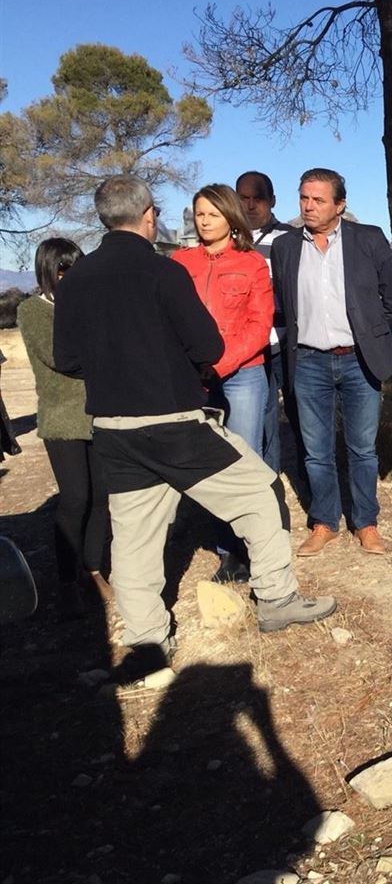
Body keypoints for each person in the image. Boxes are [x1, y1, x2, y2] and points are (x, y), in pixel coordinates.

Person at [54, 175, 336, 682]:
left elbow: (67, 358)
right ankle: (276, 597)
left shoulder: (77, 277)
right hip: (174, 420)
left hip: (113, 429)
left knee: (136, 540)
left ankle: (146, 643)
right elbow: (206, 346)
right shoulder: (164, 273)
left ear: (103, 218)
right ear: (148, 216)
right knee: (258, 490)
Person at [270, 168, 392, 556]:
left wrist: (371, 333)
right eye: (304, 199)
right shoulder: (286, 247)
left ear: (340, 205)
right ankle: (324, 521)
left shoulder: (369, 239)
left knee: (362, 448)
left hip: (359, 360)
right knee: (316, 450)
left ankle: (366, 523)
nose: (308, 207)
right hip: (309, 361)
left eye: (318, 200)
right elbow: (284, 302)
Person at [171, 184, 275, 584]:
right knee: (208, 462)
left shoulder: (252, 264)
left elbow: (258, 324)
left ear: (230, 217)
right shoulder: (179, 263)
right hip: (192, 377)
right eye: (199, 214)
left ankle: (252, 548)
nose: (204, 221)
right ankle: (226, 550)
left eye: (212, 214)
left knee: (243, 461)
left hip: (243, 373)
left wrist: (221, 363)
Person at [16, 238, 110, 619]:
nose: (68, 276)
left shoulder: (91, 306)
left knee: (102, 498)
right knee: (74, 499)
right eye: (62, 270)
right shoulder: (32, 311)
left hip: (100, 413)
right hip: (61, 419)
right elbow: (60, 358)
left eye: (74, 268)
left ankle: (93, 569)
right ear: (48, 271)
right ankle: (67, 579)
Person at [237, 170, 296, 475]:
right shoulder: (227, 240)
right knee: (261, 418)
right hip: (247, 347)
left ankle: (307, 481)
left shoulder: (290, 237)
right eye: (243, 198)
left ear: (272, 200)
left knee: (299, 417)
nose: (250, 205)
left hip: (285, 343)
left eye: (257, 198)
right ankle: (265, 483)